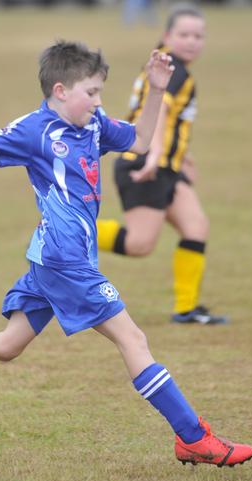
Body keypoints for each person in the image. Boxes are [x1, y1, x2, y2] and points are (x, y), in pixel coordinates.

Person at [0, 40, 252, 467]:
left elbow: (138, 140)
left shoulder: (94, 125)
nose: (98, 101)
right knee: (133, 339)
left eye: (100, 92)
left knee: (6, 345)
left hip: (54, 258)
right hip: (65, 262)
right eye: (92, 93)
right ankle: (193, 437)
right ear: (60, 90)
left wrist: (157, 89)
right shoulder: (34, 130)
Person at [97, 4, 227, 325]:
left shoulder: (167, 65)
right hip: (143, 164)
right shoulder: (174, 70)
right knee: (140, 244)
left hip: (165, 165)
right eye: (184, 34)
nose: (192, 41)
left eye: (198, 35)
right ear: (168, 35)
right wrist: (155, 156)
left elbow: (169, 122)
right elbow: (162, 113)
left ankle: (186, 309)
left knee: (196, 227)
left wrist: (182, 158)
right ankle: (64, 231)